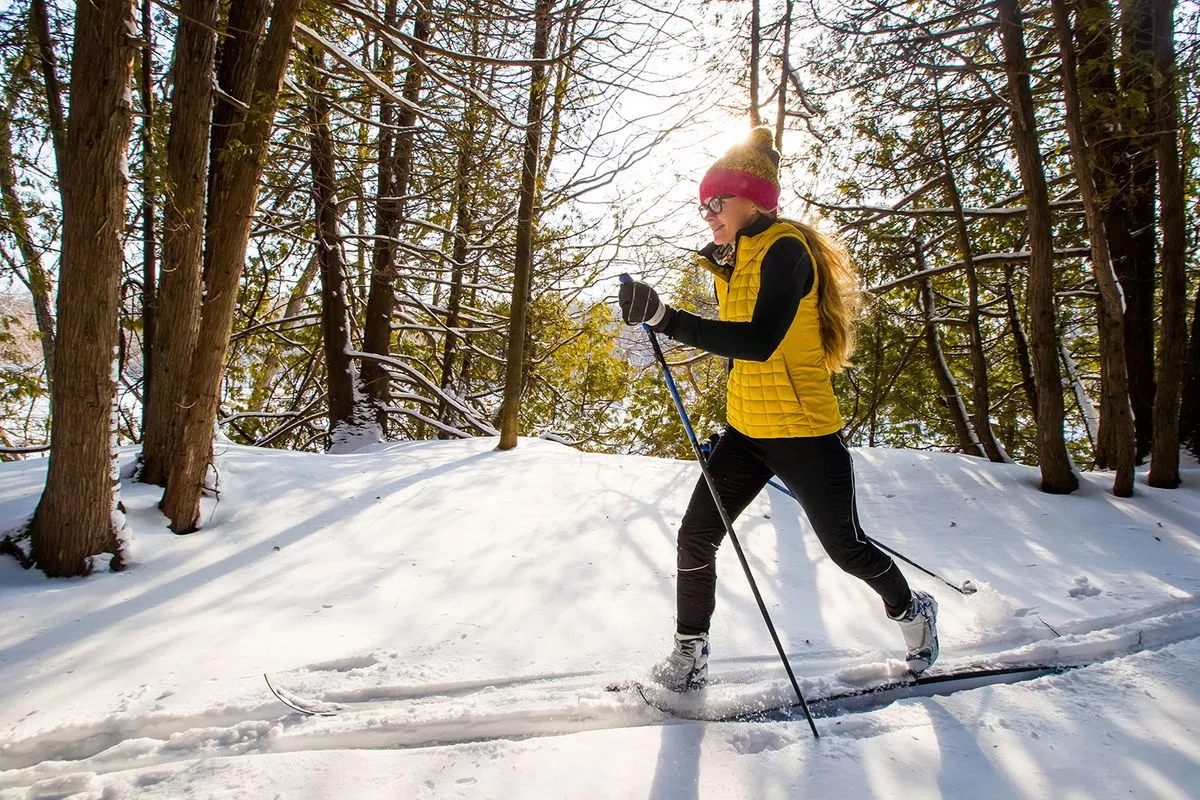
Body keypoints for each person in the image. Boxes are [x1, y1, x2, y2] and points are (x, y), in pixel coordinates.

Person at [618, 126, 938, 692]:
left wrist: (667, 319)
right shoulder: (736, 260)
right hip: (745, 431)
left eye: (716, 202)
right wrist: (648, 308)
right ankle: (690, 656)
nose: (708, 214)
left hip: (805, 434)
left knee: (846, 548)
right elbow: (739, 349)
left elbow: (761, 340)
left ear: (752, 199)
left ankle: (912, 611)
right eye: (702, 206)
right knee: (696, 534)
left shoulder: (787, 250)